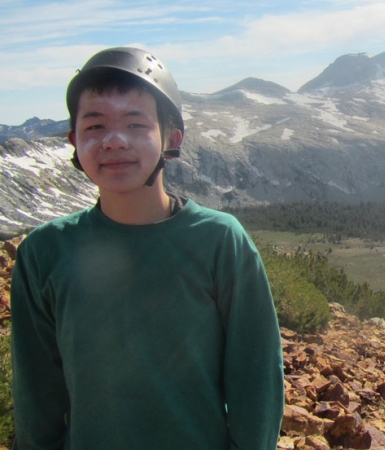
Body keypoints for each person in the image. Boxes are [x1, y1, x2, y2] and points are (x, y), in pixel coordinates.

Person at [10, 47, 284, 449]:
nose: (114, 141)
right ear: (73, 141)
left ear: (171, 138)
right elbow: (36, 393)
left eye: (136, 125)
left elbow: (255, 377)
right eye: (95, 127)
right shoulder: (43, 252)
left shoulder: (220, 241)